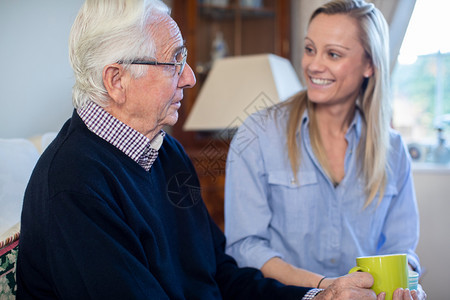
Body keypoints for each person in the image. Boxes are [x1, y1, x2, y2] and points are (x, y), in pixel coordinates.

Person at [15, 0, 408, 299]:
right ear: (117, 79)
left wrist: (319, 295)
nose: (188, 77)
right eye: (174, 61)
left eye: (185, 58)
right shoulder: (73, 186)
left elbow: (220, 271)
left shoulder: (167, 154)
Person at [225, 0, 426, 299]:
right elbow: (246, 246)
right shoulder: (257, 134)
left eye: (333, 54)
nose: (313, 65)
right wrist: (326, 289)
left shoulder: (393, 149)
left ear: (369, 65)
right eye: (309, 49)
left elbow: (402, 250)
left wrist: (408, 285)